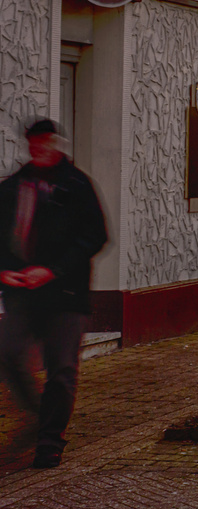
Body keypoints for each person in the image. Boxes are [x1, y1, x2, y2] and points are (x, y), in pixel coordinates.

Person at [0, 119, 107, 468]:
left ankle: (49, 440)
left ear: (57, 144)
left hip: (65, 294)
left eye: (46, 142)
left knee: (61, 369)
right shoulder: (14, 186)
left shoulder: (77, 186)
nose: (39, 149)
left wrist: (53, 270)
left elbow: (94, 236)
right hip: (22, 295)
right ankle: (38, 414)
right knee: (8, 353)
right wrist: (4, 271)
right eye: (33, 143)